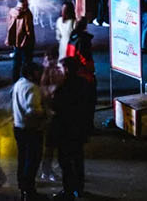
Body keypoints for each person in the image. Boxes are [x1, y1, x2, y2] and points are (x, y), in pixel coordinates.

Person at [51, 55, 93, 201]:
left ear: (67, 69)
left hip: (65, 129)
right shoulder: (84, 83)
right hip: (79, 128)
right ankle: (79, 189)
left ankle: (68, 190)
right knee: (78, 159)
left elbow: (56, 107)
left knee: (65, 161)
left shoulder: (63, 87)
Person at [11, 62, 46, 201]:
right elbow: (33, 110)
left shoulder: (19, 83)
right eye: (38, 72)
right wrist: (45, 113)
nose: (41, 74)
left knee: (22, 158)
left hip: (18, 127)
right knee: (32, 160)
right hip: (31, 129)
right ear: (31, 73)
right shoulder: (32, 88)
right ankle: (29, 191)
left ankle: (22, 187)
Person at [6, 0, 36, 82]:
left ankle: (15, 80)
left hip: (16, 41)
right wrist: (32, 40)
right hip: (26, 41)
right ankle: (26, 79)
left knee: (16, 61)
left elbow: (9, 25)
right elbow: (29, 30)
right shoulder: (27, 13)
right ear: (25, 0)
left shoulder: (12, 12)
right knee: (27, 61)